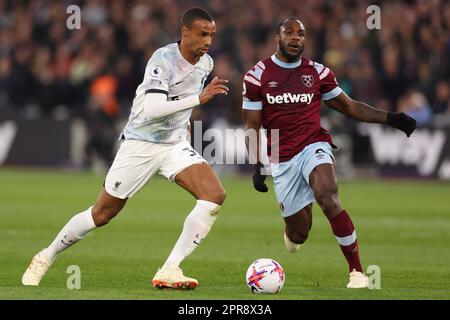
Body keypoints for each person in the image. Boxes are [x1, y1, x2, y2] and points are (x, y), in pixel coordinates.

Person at [22, 7, 229, 290]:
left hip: (173, 145)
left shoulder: (205, 64)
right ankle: (46, 255)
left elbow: (180, 102)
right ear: (185, 32)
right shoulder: (163, 60)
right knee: (102, 214)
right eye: (202, 34)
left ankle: (170, 268)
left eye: (212, 35)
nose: (208, 41)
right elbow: (155, 108)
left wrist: (186, 126)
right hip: (141, 144)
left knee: (213, 195)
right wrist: (198, 100)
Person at [242, 18, 416, 288]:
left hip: (314, 145)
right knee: (300, 234)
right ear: (277, 38)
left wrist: (390, 118)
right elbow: (252, 124)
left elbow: (351, 108)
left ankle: (356, 272)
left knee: (328, 194)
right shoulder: (257, 76)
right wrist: (257, 165)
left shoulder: (318, 73)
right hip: (282, 157)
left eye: (301, 33)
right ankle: (292, 232)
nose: (295, 38)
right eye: (289, 33)